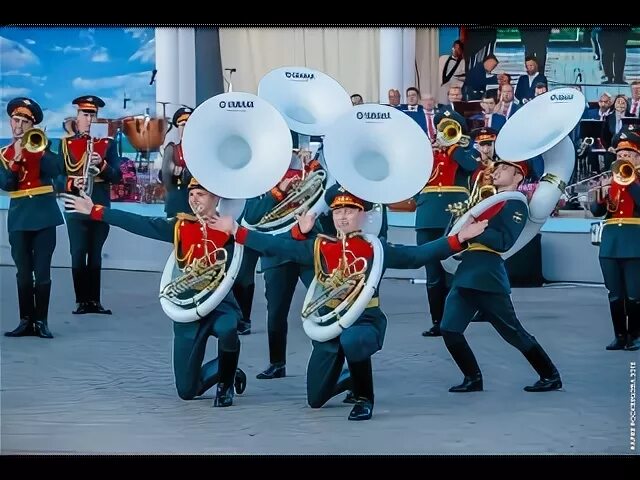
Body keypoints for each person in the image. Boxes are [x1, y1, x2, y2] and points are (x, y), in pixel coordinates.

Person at [210, 186, 488, 420]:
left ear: (362, 215)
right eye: (338, 212)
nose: (343, 217)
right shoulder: (320, 246)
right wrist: (236, 230)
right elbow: (278, 247)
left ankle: (364, 398)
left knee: (354, 341)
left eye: (350, 211)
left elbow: (416, 256)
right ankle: (348, 378)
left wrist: (459, 238)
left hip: (364, 320)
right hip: (330, 322)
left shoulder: (375, 247)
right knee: (316, 400)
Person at [62, 178, 248, 406]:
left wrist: (238, 230)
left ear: (216, 198)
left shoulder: (231, 228)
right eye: (191, 195)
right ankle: (227, 368)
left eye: (200, 194)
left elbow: (257, 248)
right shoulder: (181, 226)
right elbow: (140, 223)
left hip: (220, 304)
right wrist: (96, 211)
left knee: (228, 328)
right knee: (187, 391)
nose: (194, 199)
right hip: (187, 305)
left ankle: (225, 384)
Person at [440, 160, 563, 393]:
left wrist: (476, 228)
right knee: (449, 328)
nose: (496, 172)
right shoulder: (487, 201)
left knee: (512, 331)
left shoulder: (516, 205)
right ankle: (472, 378)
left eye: (504, 169)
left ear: (519, 177)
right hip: (467, 271)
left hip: (487, 274)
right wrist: (461, 220)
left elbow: (503, 242)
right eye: (496, 168)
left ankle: (550, 374)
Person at [240, 147, 323, 378]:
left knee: (322, 300)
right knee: (276, 311)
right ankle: (277, 362)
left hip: (306, 248)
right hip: (276, 253)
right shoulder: (257, 181)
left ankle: (330, 357)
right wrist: (278, 191)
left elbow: (325, 195)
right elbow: (252, 216)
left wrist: (313, 169)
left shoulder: (304, 170)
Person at [1, 97, 64, 338]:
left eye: (24, 122)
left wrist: (39, 150)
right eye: (16, 120)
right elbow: (7, 184)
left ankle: (42, 322)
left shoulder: (42, 149)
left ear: (32, 126)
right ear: (10, 122)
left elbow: (57, 169)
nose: (19, 125)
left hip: (45, 215)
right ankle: (25, 320)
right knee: (23, 272)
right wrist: (16, 161)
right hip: (18, 218)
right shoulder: (3, 154)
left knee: (43, 271)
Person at [415, 110, 477, 337]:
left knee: (453, 270)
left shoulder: (463, 152)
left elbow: (472, 167)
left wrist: (452, 148)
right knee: (432, 274)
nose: (444, 132)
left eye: (448, 127)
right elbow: (410, 178)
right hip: (427, 216)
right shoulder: (425, 154)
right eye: (441, 127)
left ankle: (454, 320)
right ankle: (437, 321)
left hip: (452, 215)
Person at [59, 95, 122, 315]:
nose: (88, 118)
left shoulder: (107, 144)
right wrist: (71, 182)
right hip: (75, 203)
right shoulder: (66, 144)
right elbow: (57, 177)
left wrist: (102, 164)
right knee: (77, 253)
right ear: (77, 117)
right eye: (84, 114)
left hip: (100, 204)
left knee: (95, 253)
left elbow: (117, 176)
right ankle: (81, 301)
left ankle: (94, 301)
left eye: (92, 114)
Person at [589, 129, 640, 351]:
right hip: (610, 241)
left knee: (635, 293)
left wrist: (628, 182)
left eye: (628, 154)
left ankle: (635, 335)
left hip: (634, 240)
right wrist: (599, 193)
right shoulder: (609, 180)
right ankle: (620, 335)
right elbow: (596, 212)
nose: (623, 158)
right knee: (614, 293)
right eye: (620, 154)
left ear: (638, 157)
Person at [159, 107, 194, 218]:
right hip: (176, 200)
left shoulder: (200, 150)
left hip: (197, 203)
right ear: (178, 128)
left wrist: (182, 172)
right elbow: (165, 177)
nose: (185, 129)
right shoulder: (172, 149)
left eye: (188, 125)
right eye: (182, 125)